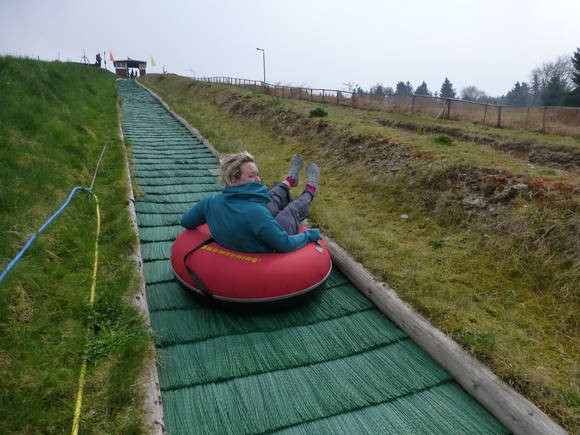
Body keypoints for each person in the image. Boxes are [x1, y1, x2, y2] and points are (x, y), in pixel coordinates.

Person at [181, 152, 321, 253]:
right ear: (234, 180)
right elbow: (285, 244)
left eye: (257, 174)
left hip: (253, 217)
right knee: (291, 211)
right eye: (251, 176)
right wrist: (310, 235)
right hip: (266, 244)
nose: (258, 179)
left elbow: (186, 221)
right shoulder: (256, 213)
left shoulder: (210, 201)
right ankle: (311, 190)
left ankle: (290, 180)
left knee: (271, 198)